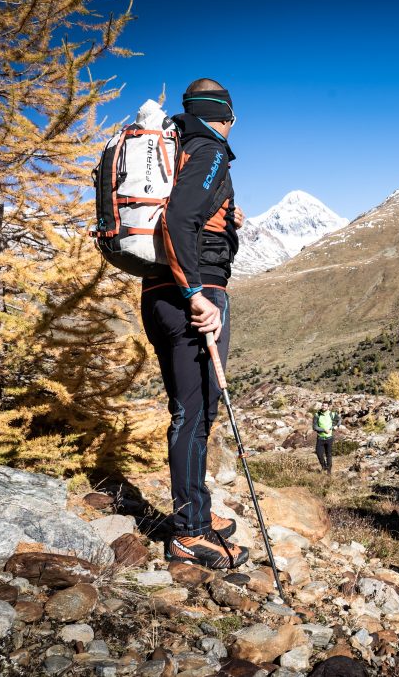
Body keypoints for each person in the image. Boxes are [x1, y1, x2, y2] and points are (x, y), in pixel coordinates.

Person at [140, 78, 247, 569]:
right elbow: (178, 220)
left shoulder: (180, 145)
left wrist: (226, 217)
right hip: (193, 297)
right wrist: (197, 295)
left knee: (190, 411)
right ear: (221, 113)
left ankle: (196, 515)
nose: (237, 123)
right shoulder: (209, 148)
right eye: (233, 113)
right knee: (195, 415)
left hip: (159, 293)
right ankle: (188, 534)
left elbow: (186, 212)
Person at [312, 400, 340, 475]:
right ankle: (324, 466)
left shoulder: (332, 414)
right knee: (319, 453)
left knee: (328, 454)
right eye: (322, 405)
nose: (323, 407)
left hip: (329, 438)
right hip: (320, 438)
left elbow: (339, 420)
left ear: (328, 407)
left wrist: (336, 426)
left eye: (325, 406)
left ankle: (329, 471)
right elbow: (314, 427)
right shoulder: (317, 415)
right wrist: (324, 429)